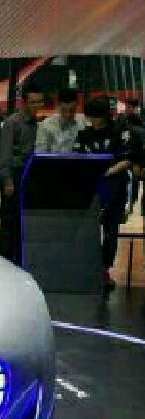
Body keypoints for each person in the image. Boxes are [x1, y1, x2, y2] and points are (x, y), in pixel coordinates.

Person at [73, 95, 144, 290]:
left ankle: (104, 269)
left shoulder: (121, 132)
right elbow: (77, 158)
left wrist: (109, 171)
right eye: (90, 116)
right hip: (90, 188)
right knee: (89, 230)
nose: (93, 121)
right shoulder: (84, 134)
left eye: (96, 116)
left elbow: (128, 158)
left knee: (111, 230)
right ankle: (89, 267)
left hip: (114, 187)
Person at [0, 84, 44, 265]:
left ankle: (20, 261)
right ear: (24, 102)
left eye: (39, 102)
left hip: (29, 176)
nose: (37, 106)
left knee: (23, 222)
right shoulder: (12, 123)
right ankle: (5, 262)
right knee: (9, 222)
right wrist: (7, 180)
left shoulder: (38, 124)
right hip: (14, 176)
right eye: (33, 102)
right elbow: (5, 153)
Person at [34, 87, 86, 153]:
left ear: (77, 106)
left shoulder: (83, 124)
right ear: (58, 106)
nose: (68, 115)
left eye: (72, 110)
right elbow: (40, 153)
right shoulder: (46, 125)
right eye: (64, 110)